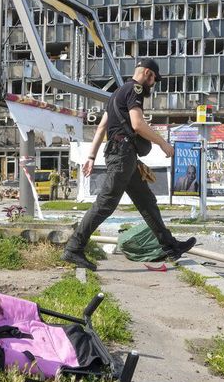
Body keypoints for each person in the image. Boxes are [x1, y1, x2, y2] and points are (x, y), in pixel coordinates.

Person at [62, 59, 196, 270]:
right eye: (153, 79)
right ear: (148, 74)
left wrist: (90, 157)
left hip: (123, 155)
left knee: (146, 201)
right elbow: (138, 124)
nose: (153, 84)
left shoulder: (117, 94)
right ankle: (74, 248)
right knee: (106, 203)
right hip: (123, 154)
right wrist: (163, 143)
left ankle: (170, 247)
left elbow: (101, 128)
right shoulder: (136, 90)